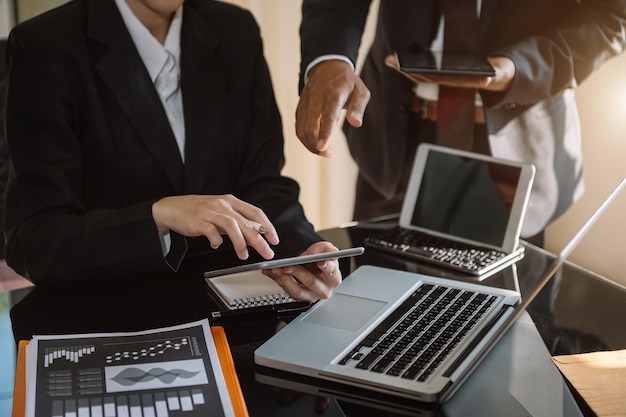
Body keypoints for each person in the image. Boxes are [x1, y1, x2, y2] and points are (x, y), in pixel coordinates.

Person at [3, 0, 342, 303]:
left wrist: (305, 255)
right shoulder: (45, 44)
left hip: (230, 309)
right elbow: (35, 242)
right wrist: (158, 217)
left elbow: (263, 185)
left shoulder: (235, 29)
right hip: (107, 314)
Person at [296, 0, 626, 247]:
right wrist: (330, 57)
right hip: (393, 145)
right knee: (378, 312)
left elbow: (612, 16)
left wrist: (520, 67)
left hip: (514, 145)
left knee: (506, 321)